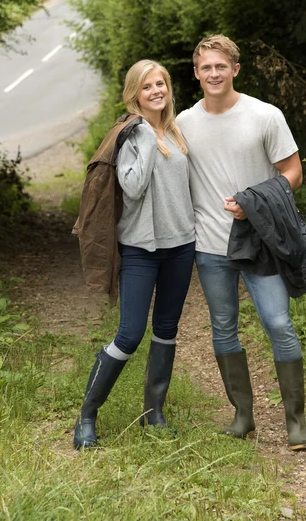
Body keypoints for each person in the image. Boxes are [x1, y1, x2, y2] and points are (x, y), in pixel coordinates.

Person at [177, 34, 306, 451]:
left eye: (222, 66)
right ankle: (242, 416)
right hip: (211, 245)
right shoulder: (183, 123)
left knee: (278, 324)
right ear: (197, 73)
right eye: (206, 67)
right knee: (223, 328)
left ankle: (296, 421)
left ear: (235, 69)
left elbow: (293, 173)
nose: (214, 73)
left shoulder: (264, 116)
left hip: (261, 243)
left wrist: (254, 203)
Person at [74, 60, 195, 449]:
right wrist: (144, 134)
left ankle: (153, 414)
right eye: (147, 87)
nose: (156, 91)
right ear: (135, 95)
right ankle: (87, 416)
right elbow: (134, 187)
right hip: (141, 249)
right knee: (129, 334)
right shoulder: (130, 135)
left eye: (161, 84)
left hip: (180, 246)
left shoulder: (177, 132)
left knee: (166, 330)